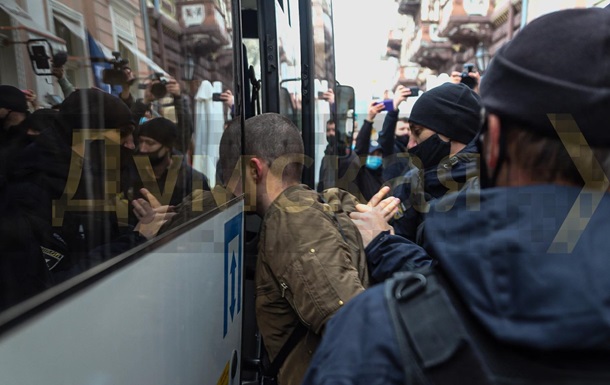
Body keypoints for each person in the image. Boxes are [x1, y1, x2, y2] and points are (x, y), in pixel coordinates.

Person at [302, 8, 610, 385]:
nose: (411, 143)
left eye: (419, 133)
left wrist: (384, 245)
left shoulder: (376, 337)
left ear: (491, 142)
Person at [219, 113, 397, 385]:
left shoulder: (293, 219)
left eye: (229, 175)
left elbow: (357, 327)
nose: (226, 189)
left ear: (255, 170)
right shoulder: (307, 209)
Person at [391, 81, 481, 241]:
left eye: (417, 132)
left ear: (451, 130)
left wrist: (381, 243)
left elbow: (441, 266)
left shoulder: (486, 192)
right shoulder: (412, 182)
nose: (410, 144)